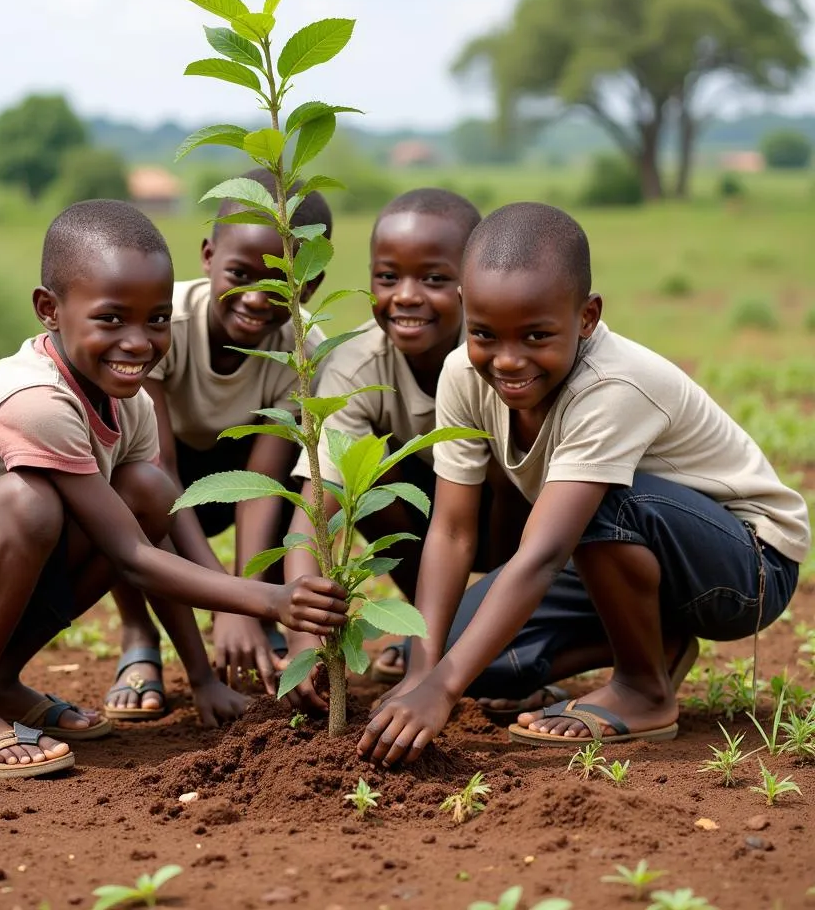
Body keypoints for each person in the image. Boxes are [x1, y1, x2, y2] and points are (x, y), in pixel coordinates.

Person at [0, 199, 347, 780]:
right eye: (111, 319)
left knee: (145, 489)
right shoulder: (35, 401)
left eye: (156, 319)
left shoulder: (133, 403)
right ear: (50, 310)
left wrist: (201, 679)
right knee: (28, 504)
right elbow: (131, 557)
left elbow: (153, 526)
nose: (138, 342)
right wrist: (266, 599)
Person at [358, 201, 809, 766]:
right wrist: (427, 672)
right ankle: (659, 642)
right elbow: (450, 533)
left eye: (536, 335)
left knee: (600, 503)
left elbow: (545, 551)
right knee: (462, 656)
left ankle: (644, 689)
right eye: (485, 334)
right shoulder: (462, 375)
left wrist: (440, 691)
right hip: (615, 550)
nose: (508, 360)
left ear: (588, 317)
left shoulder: (611, 386)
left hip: (747, 566)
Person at [103, 170, 333, 719]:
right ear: (208, 256)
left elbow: (263, 484)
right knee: (124, 496)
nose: (256, 297)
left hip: (248, 473)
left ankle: (268, 631)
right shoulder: (163, 324)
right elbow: (161, 466)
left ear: (309, 283)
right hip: (164, 468)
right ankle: (138, 636)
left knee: (297, 491)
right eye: (239, 272)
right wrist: (221, 600)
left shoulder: (304, 349)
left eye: (280, 281)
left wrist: (246, 601)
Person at [279, 188, 522, 705]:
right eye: (388, 277)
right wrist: (304, 643)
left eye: (434, 279)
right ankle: (429, 631)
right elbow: (313, 519)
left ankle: (504, 639)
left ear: (473, 282)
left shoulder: (508, 358)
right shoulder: (357, 367)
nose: (406, 295)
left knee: (505, 464)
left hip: (515, 526)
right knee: (365, 476)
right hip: (436, 527)